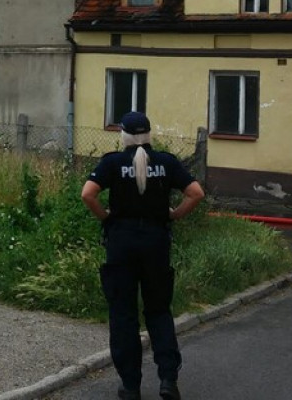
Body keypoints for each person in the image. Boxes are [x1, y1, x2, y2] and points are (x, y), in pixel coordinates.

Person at [81, 111, 205, 400]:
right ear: (148, 135)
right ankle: (168, 380)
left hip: (121, 244)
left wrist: (107, 219)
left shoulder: (112, 162)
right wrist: (173, 215)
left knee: (123, 315)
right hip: (156, 243)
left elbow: (88, 194)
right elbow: (196, 193)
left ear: (123, 135)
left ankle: (131, 385)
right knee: (159, 311)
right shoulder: (166, 162)